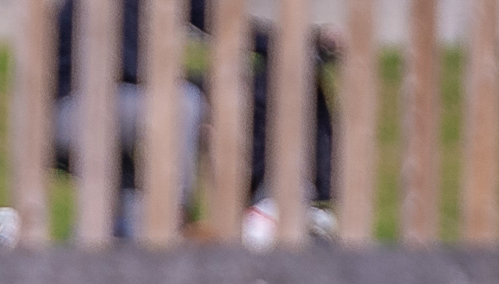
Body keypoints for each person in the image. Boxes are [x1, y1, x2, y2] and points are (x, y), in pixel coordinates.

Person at [51, 0, 335, 240]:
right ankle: (172, 221)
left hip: (128, 103)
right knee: (182, 104)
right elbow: (132, 68)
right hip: (73, 109)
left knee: (124, 213)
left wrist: (307, 43)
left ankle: (114, 249)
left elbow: (226, 26)